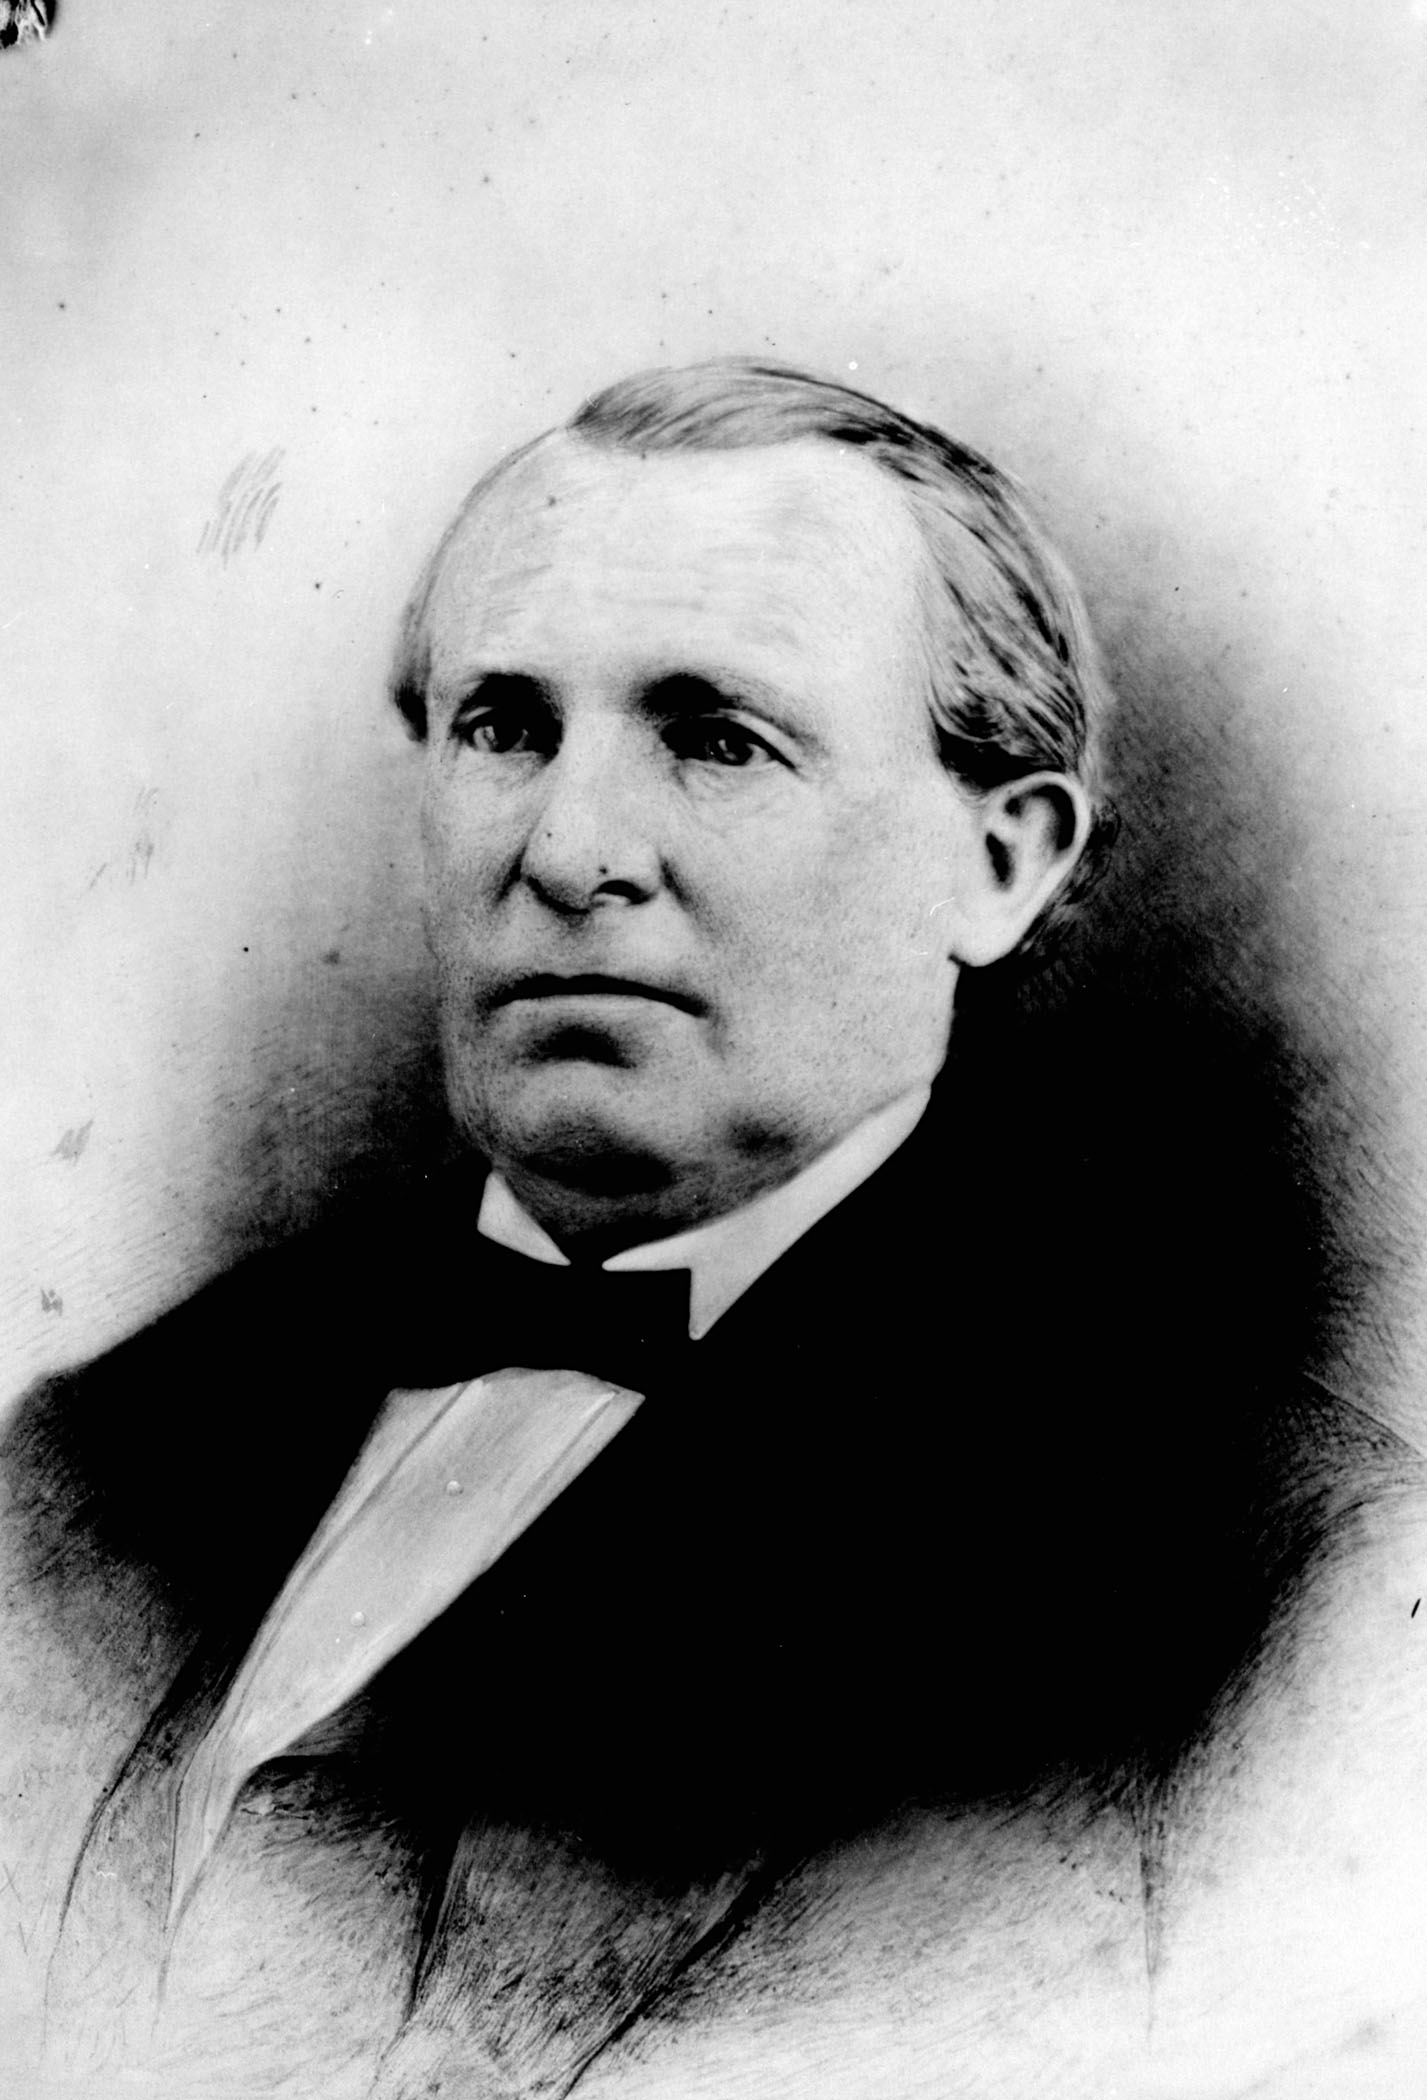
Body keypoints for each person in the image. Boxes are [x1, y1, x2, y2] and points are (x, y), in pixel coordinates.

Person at [4, 361, 1420, 2099]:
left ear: (1002, 863)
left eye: (716, 738)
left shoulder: (1291, 1597)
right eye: (504, 728)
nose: (570, 849)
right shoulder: (89, 1459)